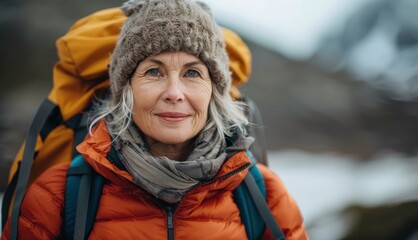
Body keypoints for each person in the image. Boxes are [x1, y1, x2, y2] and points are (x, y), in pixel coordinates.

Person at [1, 0, 307, 239]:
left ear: (214, 91)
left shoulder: (262, 194)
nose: (174, 93)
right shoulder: (57, 196)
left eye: (192, 73)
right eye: (153, 72)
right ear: (125, 88)